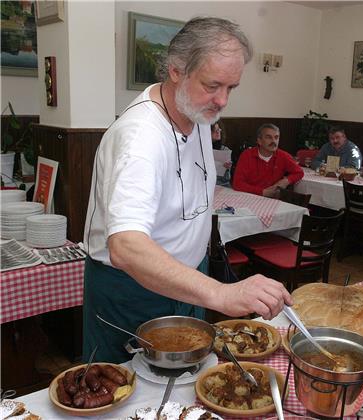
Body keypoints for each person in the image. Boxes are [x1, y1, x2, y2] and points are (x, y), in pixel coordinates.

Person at [82, 17, 292, 363]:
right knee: (123, 396)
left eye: (231, 88)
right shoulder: (140, 138)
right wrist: (223, 294)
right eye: (213, 85)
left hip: (189, 282)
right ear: (176, 70)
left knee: (184, 393)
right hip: (132, 291)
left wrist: (206, 286)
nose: (223, 100)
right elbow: (126, 248)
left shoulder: (196, 112)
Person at [233, 123, 303, 197]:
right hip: (249, 197)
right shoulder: (247, 155)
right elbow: (237, 183)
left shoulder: (283, 156)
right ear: (259, 141)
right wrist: (262, 192)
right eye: (269, 137)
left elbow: (299, 172)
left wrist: (286, 181)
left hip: (273, 199)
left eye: (276, 137)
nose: (274, 141)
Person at [211, 120, 232, 186]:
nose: (218, 132)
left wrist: (227, 168)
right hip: (206, 183)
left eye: (219, 129)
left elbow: (227, 179)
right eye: (214, 130)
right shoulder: (202, 149)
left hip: (222, 183)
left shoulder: (225, 150)